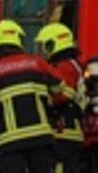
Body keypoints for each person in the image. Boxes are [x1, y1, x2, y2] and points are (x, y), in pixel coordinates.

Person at [0, 19, 65, 173]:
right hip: (41, 139)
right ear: (20, 41)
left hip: (9, 143)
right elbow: (60, 86)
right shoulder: (38, 63)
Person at [35, 23, 86, 173]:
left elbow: (64, 96)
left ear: (52, 44)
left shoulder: (65, 66)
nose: (42, 50)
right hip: (66, 129)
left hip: (65, 130)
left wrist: (41, 101)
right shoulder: (69, 64)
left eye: (44, 45)